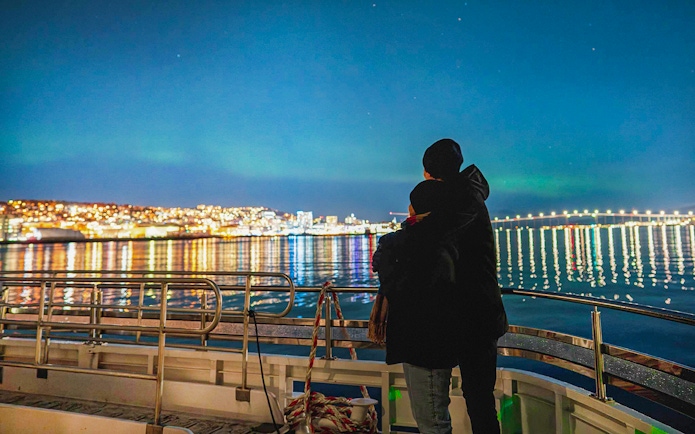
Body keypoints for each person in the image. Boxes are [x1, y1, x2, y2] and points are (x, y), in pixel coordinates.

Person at [422, 138, 509, 434]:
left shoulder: (456, 202)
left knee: (454, 398)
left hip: (468, 318)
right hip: (479, 314)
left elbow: (427, 246)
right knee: (478, 398)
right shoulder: (469, 197)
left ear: (429, 174)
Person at [369, 179, 459, 434]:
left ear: (416, 209)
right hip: (431, 341)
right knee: (432, 415)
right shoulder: (441, 238)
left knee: (431, 420)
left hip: (425, 344)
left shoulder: (423, 243)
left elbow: (404, 290)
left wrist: (387, 263)